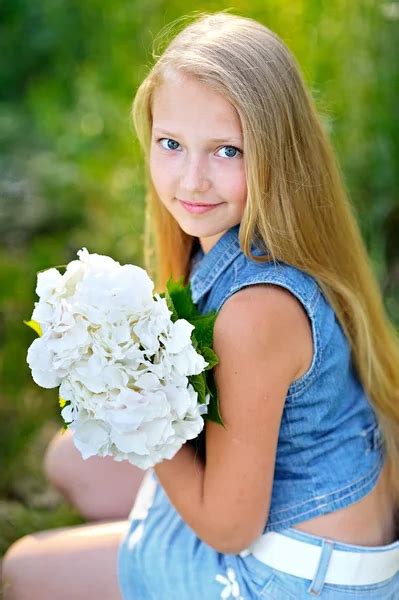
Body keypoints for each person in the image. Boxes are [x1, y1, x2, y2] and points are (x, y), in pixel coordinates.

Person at [3, 10, 399, 599]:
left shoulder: (256, 312)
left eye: (226, 151)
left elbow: (231, 528)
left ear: (276, 153)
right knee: (69, 462)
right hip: (276, 511)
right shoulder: (234, 244)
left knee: (20, 570)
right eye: (171, 144)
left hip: (290, 574)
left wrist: (137, 413)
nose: (191, 180)